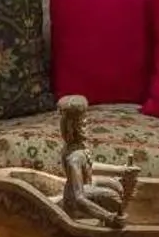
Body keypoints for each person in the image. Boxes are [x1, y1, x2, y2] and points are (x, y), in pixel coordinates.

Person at [57, 95, 135, 229]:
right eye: (82, 122)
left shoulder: (79, 147)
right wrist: (108, 217)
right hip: (75, 200)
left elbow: (89, 166)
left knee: (116, 185)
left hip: (86, 184)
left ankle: (113, 212)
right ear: (73, 127)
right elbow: (79, 198)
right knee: (113, 196)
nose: (87, 123)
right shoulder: (74, 158)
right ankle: (107, 221)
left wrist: (121, 170)